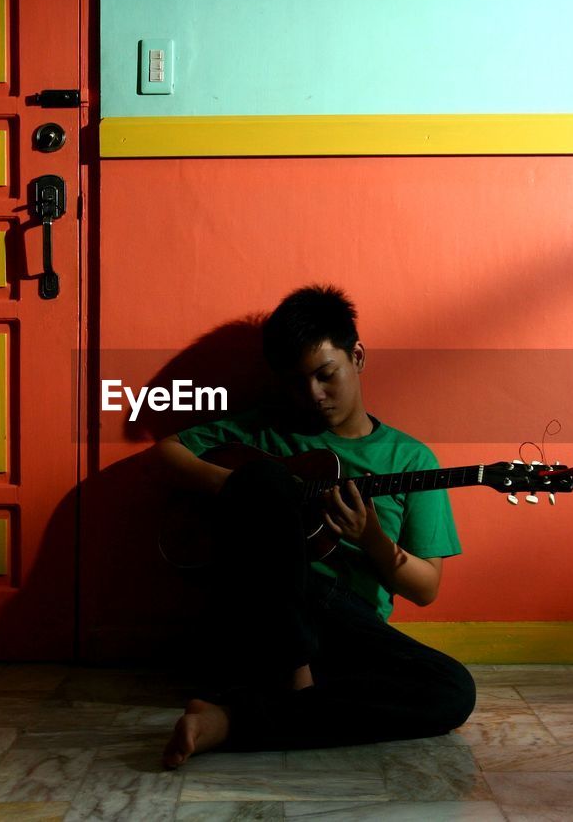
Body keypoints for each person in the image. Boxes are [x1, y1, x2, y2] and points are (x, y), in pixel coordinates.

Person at [154, 285, 476, 769]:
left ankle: (231, 719)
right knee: (265, 477)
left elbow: (426, 588)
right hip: (261, 610)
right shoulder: (266, 431)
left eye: (326, 375)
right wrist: (246, 490)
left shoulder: (412, 460)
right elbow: (167, 451)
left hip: (347, 626)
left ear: (357, 357)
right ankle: (294, 677)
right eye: (296, 381)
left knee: (454, 692)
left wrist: (370, 538)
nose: (314, 395)